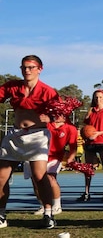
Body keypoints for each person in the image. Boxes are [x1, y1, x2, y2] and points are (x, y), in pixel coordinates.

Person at [0, 55, 60, 228]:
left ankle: (48, 213)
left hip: (38, 135)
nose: (27, 70)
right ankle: (1, 215)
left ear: (40, 69)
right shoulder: (13, 86)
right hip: (15, 135)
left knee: (40, 176)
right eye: (24, 67)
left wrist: (49, 117)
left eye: (31, 67)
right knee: (1, 177)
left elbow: (60, 115)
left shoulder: (48, 91)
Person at [30, 111, 79, 217]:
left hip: (55, 157)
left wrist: (70, 158)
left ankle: (57, 205)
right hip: (37, 155)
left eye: (61, 113)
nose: (58, 115)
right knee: (36, 182)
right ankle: (43, 205)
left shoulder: (70, 128)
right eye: (56, 113)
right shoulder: (47, 124)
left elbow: (73, 146)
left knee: (51, 179)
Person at [81, 89, 103, 201]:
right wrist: (87, 134)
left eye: (100, 97)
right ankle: (86, 193)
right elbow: (85, 127)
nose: (98, 99)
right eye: (96, 97)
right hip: (90, 143)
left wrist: (99, 133)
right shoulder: (91, 111)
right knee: (88, 168)